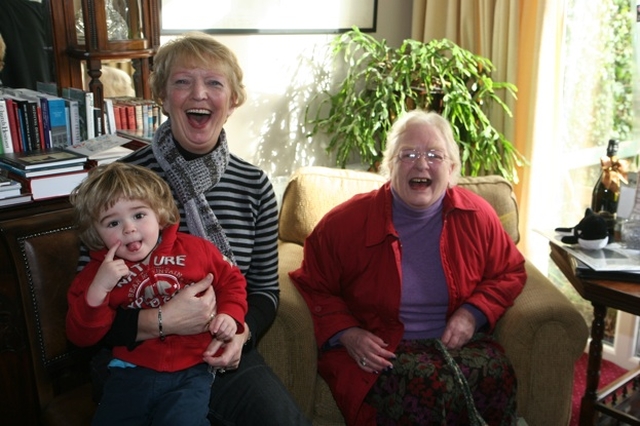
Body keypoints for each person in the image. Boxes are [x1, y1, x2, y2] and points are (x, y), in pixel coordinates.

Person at [82, 31, 311, 425]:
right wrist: (162, 321)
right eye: (183, 81)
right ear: (162, 96)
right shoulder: (120, 183)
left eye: (214, 83)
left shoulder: (254, 185)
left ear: (233, 100)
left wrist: (240, 333)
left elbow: (264, 290)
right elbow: (88, 298)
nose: (198, 94)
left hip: (219, 350)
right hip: (134, 359)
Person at [290, 109, 527, 426]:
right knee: (423, 386)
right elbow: (313, 285)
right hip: (384, 349)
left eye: (434, 154)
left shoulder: (477, 215)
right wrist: (347, 333)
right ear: (389, 166)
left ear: (452, 168)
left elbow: (509, 272)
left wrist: (473, 313)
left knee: (494, 371)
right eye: (408, 154)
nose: (421, 163)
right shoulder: (344, 223)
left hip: (456, 345)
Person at [67, 162, 248, 425]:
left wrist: (230, 316)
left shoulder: (196, 250)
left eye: (139, 215)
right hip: (129, 372)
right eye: (113, 222)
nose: (129, 229)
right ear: (96, 233)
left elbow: (232, 281)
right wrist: (99, 290)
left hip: (192, 368)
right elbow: (80, 337)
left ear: (160, 214)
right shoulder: (95, 276)